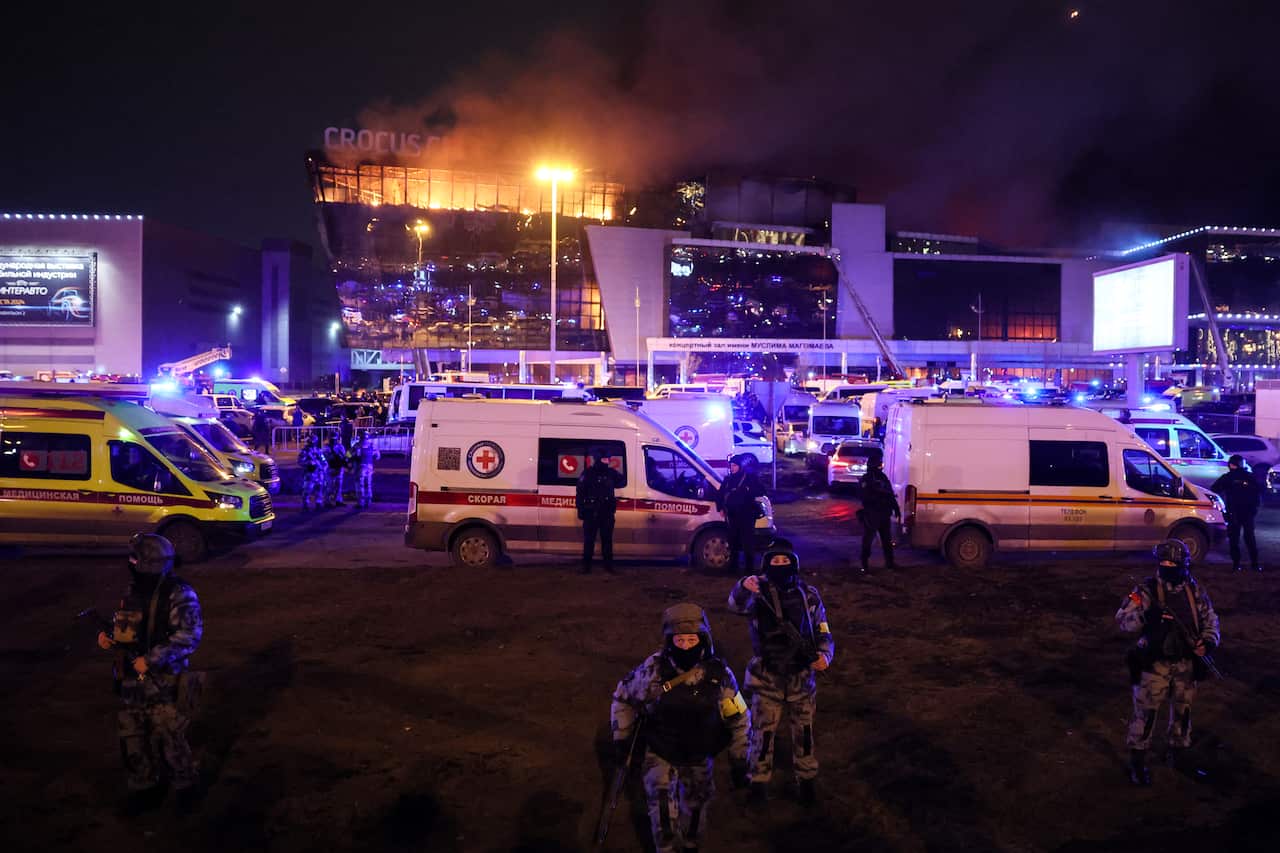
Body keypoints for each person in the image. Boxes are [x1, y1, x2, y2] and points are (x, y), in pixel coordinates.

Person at [610, 603, 749, 853]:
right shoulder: (653, 669)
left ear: (703, 639)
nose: (685, 645)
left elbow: (738, 717)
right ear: (669, 640)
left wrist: (740, 758)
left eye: (691, 639)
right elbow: (623, 698)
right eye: (680, 640)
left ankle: (691, 845)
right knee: (663, 812)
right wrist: (622, 738)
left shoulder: (719, 674)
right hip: (661, 751)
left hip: (699, 753)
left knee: (696, 809)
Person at [96, 534, 204, 815]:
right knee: (133, 735)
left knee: (171, 735)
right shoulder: (135, 590)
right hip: (132, 680)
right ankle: (144, 786)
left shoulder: (179, 593)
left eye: (136, 559)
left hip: (164, 679)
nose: (131, 563)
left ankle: (185, 787)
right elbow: (130, 629)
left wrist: (152, 659)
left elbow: (189, 635)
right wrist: (110, 637)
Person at [727, 543, 834, 805]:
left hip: (801, 679)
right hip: (767, 679)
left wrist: (825, 655)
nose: (780, 566)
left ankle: (807, 781)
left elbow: (822, 629)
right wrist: (744, 586)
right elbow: (734, 605)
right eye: (774, 562)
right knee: (762, 736)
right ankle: (759, 784)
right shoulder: (757, 593)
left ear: (794, 562)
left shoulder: (808, 594)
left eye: (784, 561)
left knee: (805, 735)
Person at [1116, 539, 1221, 786]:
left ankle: (1178, 754)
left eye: (1172, 563)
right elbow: (1122, 620)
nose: (1167, 567)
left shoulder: (1193, 590)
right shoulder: (1147, 590)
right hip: (1154, 664)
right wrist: (1147, 616)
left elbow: (1210, 619)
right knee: (1145, 714)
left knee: (1183, 713)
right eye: (1163, 562)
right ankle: (1138, 765)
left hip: (1185, 663)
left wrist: (1208, 642)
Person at [1211, 454, 1262, 572]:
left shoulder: (1227, 477)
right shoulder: (1249, 477)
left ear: (1231, 464)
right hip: (1248, 512)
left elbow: (1214, 489)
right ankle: (1255, 565)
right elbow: (1259, 492)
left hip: (1233, 512)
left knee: (1234, 539)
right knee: (1250, 538)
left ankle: (1236, 565)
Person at [576, 447, 624, 574]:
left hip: (606, 512)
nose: (607, 461)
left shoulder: (611, 473)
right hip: (591, 512)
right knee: (589, 541)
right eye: (604, 459)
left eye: (608, 459)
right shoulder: (587, 473)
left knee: (607, 541)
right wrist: (580, 510)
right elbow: (580, 493)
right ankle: (586, 567)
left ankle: (608, 566)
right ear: (597, 459)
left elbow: (622, 481)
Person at [716, 453, 765, 575]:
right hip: (732, 515)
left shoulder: (749, 478)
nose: (732, 468)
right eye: (731, 465)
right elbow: (720, 494)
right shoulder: (728, 480)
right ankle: (733, 568)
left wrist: (748, 490)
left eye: (734, 466)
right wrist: (720, 508)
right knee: (733, 542)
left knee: (748, 543)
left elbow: (761, 491)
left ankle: (749, 570)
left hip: (747, 515)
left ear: (740, 466)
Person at [857, 447, 900, 572]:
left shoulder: (882, 477)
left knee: (886, 540)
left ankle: (889, 563)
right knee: (868, 540)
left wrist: (895, 508)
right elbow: (863, 496)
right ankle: (864, 565)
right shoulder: (867, 479)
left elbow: (890, 494)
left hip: (883, 513)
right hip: (872, 513)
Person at [299, 434, 326, 510]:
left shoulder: (318, 450)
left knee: (319, 488)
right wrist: (309, 463)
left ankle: (318, 502)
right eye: (311, 441)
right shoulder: (305, 451)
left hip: (319, 473)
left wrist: (324, 467)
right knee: (308, 489)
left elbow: (323, 460)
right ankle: (306, 504)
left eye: (314, 441)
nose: (313, 443)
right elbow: (300, 461)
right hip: (310, 473)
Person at [354, 434, 381, 508]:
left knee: (360, 484)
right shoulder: (372, 445)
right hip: (369, 467)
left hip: (360, 467)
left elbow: (348, 455)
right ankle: (368, 501)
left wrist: (347, 461)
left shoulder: (357, 445)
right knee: (368, 484)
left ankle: (361, 503)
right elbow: (378, 456)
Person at [324, 436, 348, 507]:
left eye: (335, 439)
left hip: (339, 468)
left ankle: (338, 500)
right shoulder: (326, 447)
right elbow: (324, 457)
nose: (334, 441)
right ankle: (327, 501)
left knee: (339, 486)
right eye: (332, 439)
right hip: (330, 468)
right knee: (329, 486)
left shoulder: (341, 446)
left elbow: (345, 455)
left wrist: (347, 460)